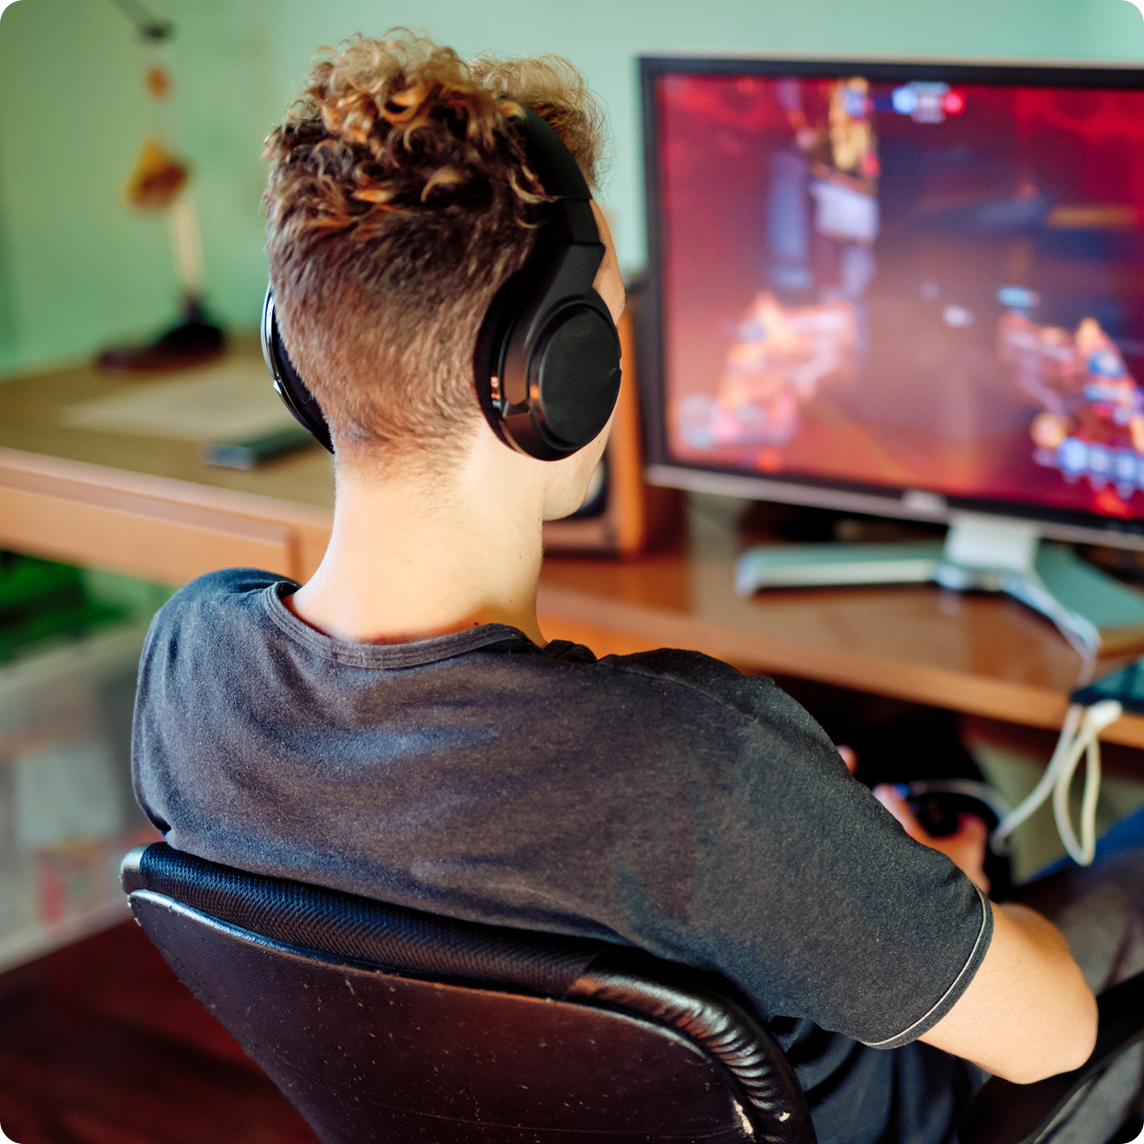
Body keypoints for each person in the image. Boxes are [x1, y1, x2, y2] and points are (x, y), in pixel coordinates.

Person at [132, 31, 1139, 1143]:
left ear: (297, 356)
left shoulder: (188, 666)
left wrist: (841, 872)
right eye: (608, 320)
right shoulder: (700, 763)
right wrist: (900, 893)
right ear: (554, 382)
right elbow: (1055, 1038)